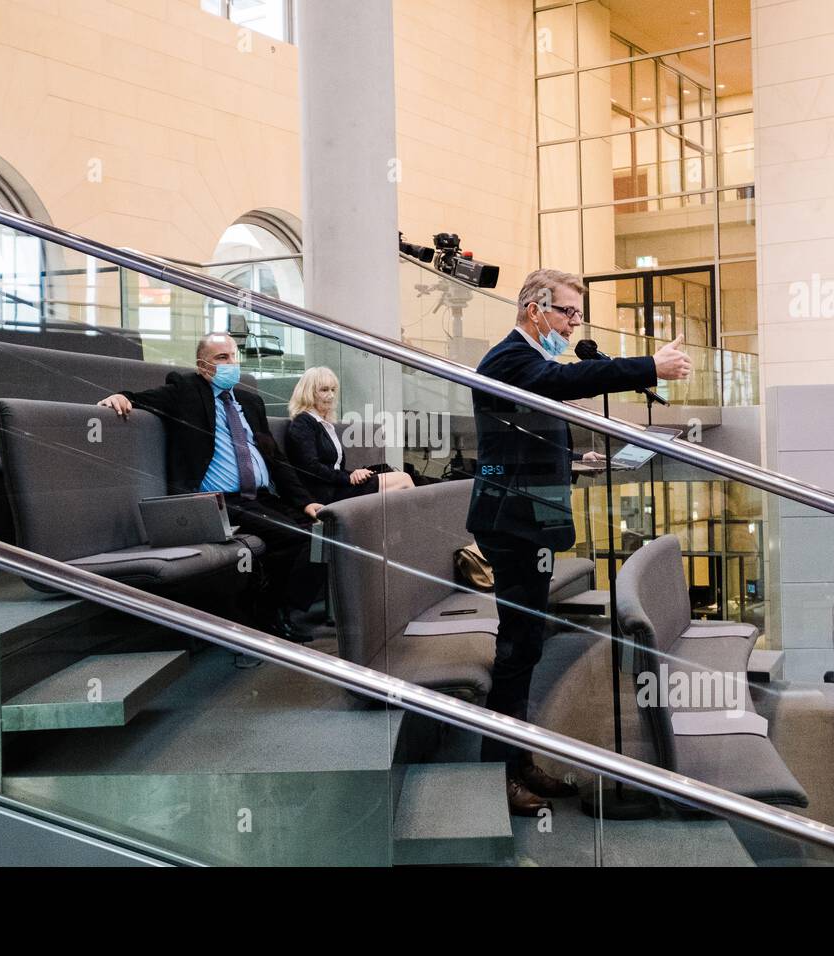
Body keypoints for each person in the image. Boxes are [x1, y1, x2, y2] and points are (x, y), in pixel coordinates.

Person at [467, 268, 691, 816]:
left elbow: (524, 429)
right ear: (533, 307)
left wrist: (573, 460)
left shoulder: (527, 359)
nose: (573, 324)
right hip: (511, 523)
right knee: (516, 649)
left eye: (576, 314)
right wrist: (648, 367)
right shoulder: (508, 358)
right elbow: (562, 384)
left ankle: (518, 760)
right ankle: (496, 773)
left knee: (527, 645)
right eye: (567, 312)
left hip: (528, 518)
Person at [97, 333, 325, 641]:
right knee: (292, 537)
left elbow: (277, 461)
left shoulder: (250, 401)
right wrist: (121, 396)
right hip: (216, 501)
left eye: (234, 356)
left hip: (259, 497)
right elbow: (140, 397)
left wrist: (305, 502)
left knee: (322, 532)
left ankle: (278, 606)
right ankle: (269, 616)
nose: (232, 364)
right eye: (222, 358)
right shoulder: (186, 390)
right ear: (204, 366)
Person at [285, 366, 415, 504]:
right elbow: (310, 467)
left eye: (333, 390)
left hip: (337, 487)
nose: (331, 395)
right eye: (324, 390)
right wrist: (348, 477)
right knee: (404, 479)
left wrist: (354, 473)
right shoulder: (303, 422)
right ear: (308, 393)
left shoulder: (323, 424)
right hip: (326, 493)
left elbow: (332, 468)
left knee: (400, 483)